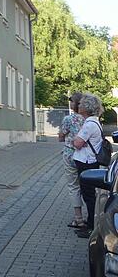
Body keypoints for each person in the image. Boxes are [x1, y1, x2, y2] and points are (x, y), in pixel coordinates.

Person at [72, 92, 105, 238]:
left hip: (86, 162)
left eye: (80, 104)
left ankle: (91, 226)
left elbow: (78, 143)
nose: (78, 106)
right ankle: (91, 222)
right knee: (90, 195)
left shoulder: (89, 124)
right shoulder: (95, 121)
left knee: (89, 196)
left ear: (86, 107)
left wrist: (74, 140)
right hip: (90, 161)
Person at [59, 92, 86, 230]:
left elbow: (60, 137)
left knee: (73, 186)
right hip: (86, 156)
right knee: (87, 186)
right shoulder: (88, 119)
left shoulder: (68, 119)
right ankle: (91, 216)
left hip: (70, 155)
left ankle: (78, 219)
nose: (70, 103)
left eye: (71, 101)